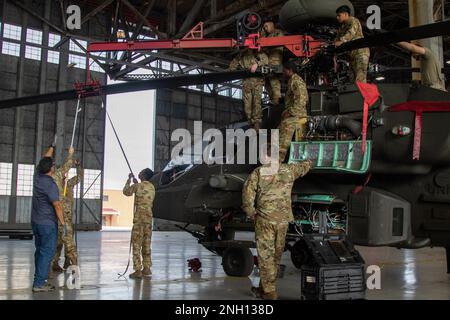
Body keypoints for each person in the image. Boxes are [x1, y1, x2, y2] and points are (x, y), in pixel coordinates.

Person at [242, 143, 312, 300]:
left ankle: (269, 292)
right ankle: (263, 288)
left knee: (266, 256)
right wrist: (308, 161)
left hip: (265, 220)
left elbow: (247, 195)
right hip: (283, 221)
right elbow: (303, 167)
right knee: (275, 255)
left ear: (266, 156)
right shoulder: (289, 170)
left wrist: (251, 212)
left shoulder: (259, 173)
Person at [31, 146, 65, 292]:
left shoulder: (37, 176)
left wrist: (51, 148)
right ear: (51, 169)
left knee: (40, 250)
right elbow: (57, 206)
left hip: (36, 222)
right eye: (53, 165)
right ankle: (39, 284)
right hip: (47, 224)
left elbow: (43, 160)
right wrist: (63, 223)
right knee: (47, 252)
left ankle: (38, 278)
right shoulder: (50, 185)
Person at [123, 168, 155, 278]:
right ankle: (147, 268)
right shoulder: (152, 187)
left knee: (136, 243)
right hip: (148, 219)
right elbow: (143, 191)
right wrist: (137, 184)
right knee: (147, 243)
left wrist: (129, 180)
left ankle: (137, 270)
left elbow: (126, 192)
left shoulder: (138, 186)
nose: (139, 173)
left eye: (141, 172)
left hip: (139, 219)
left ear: (144, 175)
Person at [52, 159, 83, 270]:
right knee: (58, 241)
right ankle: (55, 263)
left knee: (69, 241)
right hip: (57, 217)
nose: (64, 175)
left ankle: (68, 261)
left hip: (68, 217)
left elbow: (79, 177)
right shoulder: (54, 184)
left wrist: (78, 166)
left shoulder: (69, 183)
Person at [229, 48, 269, 130]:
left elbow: (266, 61)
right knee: (247, 105)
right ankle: (251, 123)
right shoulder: (241, 55)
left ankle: (257, 123)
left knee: (256, 103)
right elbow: (232, 67)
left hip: (257, 81)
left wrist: (257, 64)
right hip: (246, 82)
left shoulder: (257, 52)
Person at [278, 60, 309, 162]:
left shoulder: (296, 81)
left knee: (281, 142)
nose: (283, 73)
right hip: (293, 114)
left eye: (284, 71)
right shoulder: (292, 80)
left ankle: (275, 164)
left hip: (296, 116)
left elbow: (302, 99)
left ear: (290, 70)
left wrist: (290, 112)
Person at [51, 147, 75, 272]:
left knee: (57, 240)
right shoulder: (55, 176)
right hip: (62, 214)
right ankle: (73, 264)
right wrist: (70, 154)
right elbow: (67, 166)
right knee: (67, 240)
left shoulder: (45, 179)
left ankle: (55, 264)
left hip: (54, 214)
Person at [334, 5, 370, 83]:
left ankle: (360, 94)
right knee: (352, 79)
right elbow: (336, 41)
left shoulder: (353, 21)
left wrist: (341, 41)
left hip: (361, 52)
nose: (337, 18)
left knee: (360, 77)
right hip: (352, 55)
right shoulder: (342, 28)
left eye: (339, 15)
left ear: (346, 14)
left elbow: (351, 33)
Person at [260, 15, 284, 105]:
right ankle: (272, 99)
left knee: (273, 79)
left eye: (266, 26)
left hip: (275, 60)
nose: (265, 29)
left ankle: (277, 98)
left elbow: (273, 44)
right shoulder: (266, 35)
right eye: (264, 27)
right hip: (267, 61)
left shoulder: (278, 33)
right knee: (266, 82)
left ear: (272, 24)